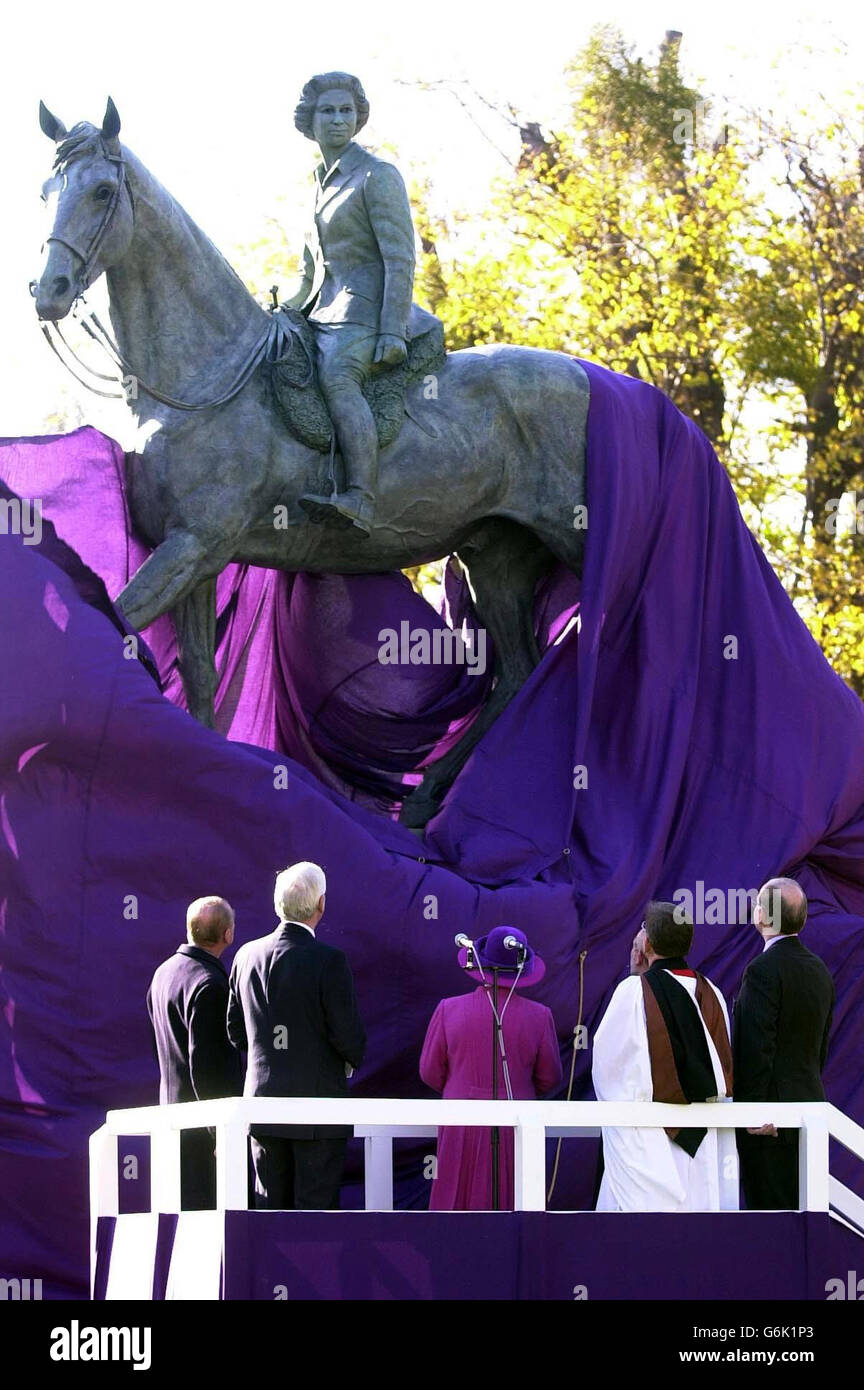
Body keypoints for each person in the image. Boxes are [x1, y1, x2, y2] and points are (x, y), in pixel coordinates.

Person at [285, 71, 438, 537]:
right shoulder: (315, 185)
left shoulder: (377, 175)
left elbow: (400, 258)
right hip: (322, 312)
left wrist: (392, 329)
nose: (337, 120)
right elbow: (308, 274)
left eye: (346, 111)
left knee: (337, 379)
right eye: (327, 111)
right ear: (309, 121)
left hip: (366, 312)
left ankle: (360, 497)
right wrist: (278, 312)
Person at [227, 861, 366, 1210]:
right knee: (315, 1219)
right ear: (321, 904)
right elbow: (347, 1034)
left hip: (262, 1105)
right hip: (318, 1110)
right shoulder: (328, 960)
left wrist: (270, 1058)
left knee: (267, 1212)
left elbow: (235, 1031)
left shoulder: (246, 956)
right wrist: (349, 1060)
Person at [592, 901, 738, 1212]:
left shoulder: (633, 992)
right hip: (704, 1145)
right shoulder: (712, 992)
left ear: (647, 943)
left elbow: (608, 1072)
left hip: (645, 1145)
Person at [419, 926, 562, 1210]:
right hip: (517, 1124)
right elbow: (550, 1077)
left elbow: (429, 1071)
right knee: (515, 1203)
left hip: (460, 1121)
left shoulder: (449, 1009)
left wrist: (462, 1086)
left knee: (455, 1206)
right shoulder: (540, 1016)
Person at [733, 877, 834, 1210]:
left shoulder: (761, 970)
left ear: (762, 916)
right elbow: (819, 1049)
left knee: (771, 1231)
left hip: (769, 1129)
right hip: (808, 1117)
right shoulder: (819, 970)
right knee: (803, 1227)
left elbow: (755, 1049)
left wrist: (754, 1112)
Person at [146, 896, 241, 1209]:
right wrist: (221, 1134)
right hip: (201, 1137)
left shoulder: (162, 974)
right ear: (228, 935)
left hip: (170, 1124)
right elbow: (208, 1068)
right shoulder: (211, 985)